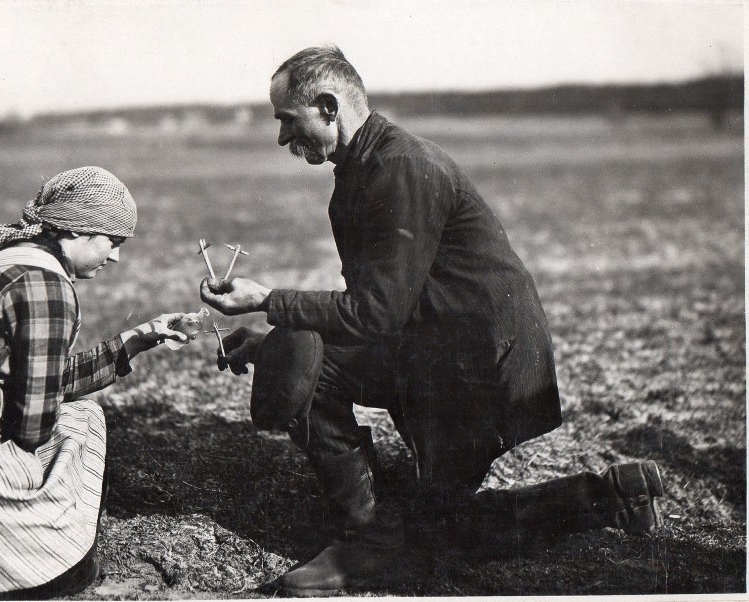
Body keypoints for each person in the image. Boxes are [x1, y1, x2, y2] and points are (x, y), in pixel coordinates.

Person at [200, 46, 664, 596]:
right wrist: (267, 341)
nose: (281, 138)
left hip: (478, 376)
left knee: (434, 534)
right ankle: (373, 530)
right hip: (441, 354)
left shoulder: (399, 169)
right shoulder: (361, 170)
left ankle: (596, 499)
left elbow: (375, 314)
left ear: (328, 107)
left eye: (286, 120)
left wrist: (266, 301)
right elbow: (375, 310)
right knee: (298, 356)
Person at [0, 166, 195, 599]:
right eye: (113, 242)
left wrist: (138, 338)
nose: (115, 258)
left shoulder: (6, 254)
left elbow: (40, 376)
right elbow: (32, 426)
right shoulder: (46, 284)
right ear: (79, 230)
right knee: (80, 436)